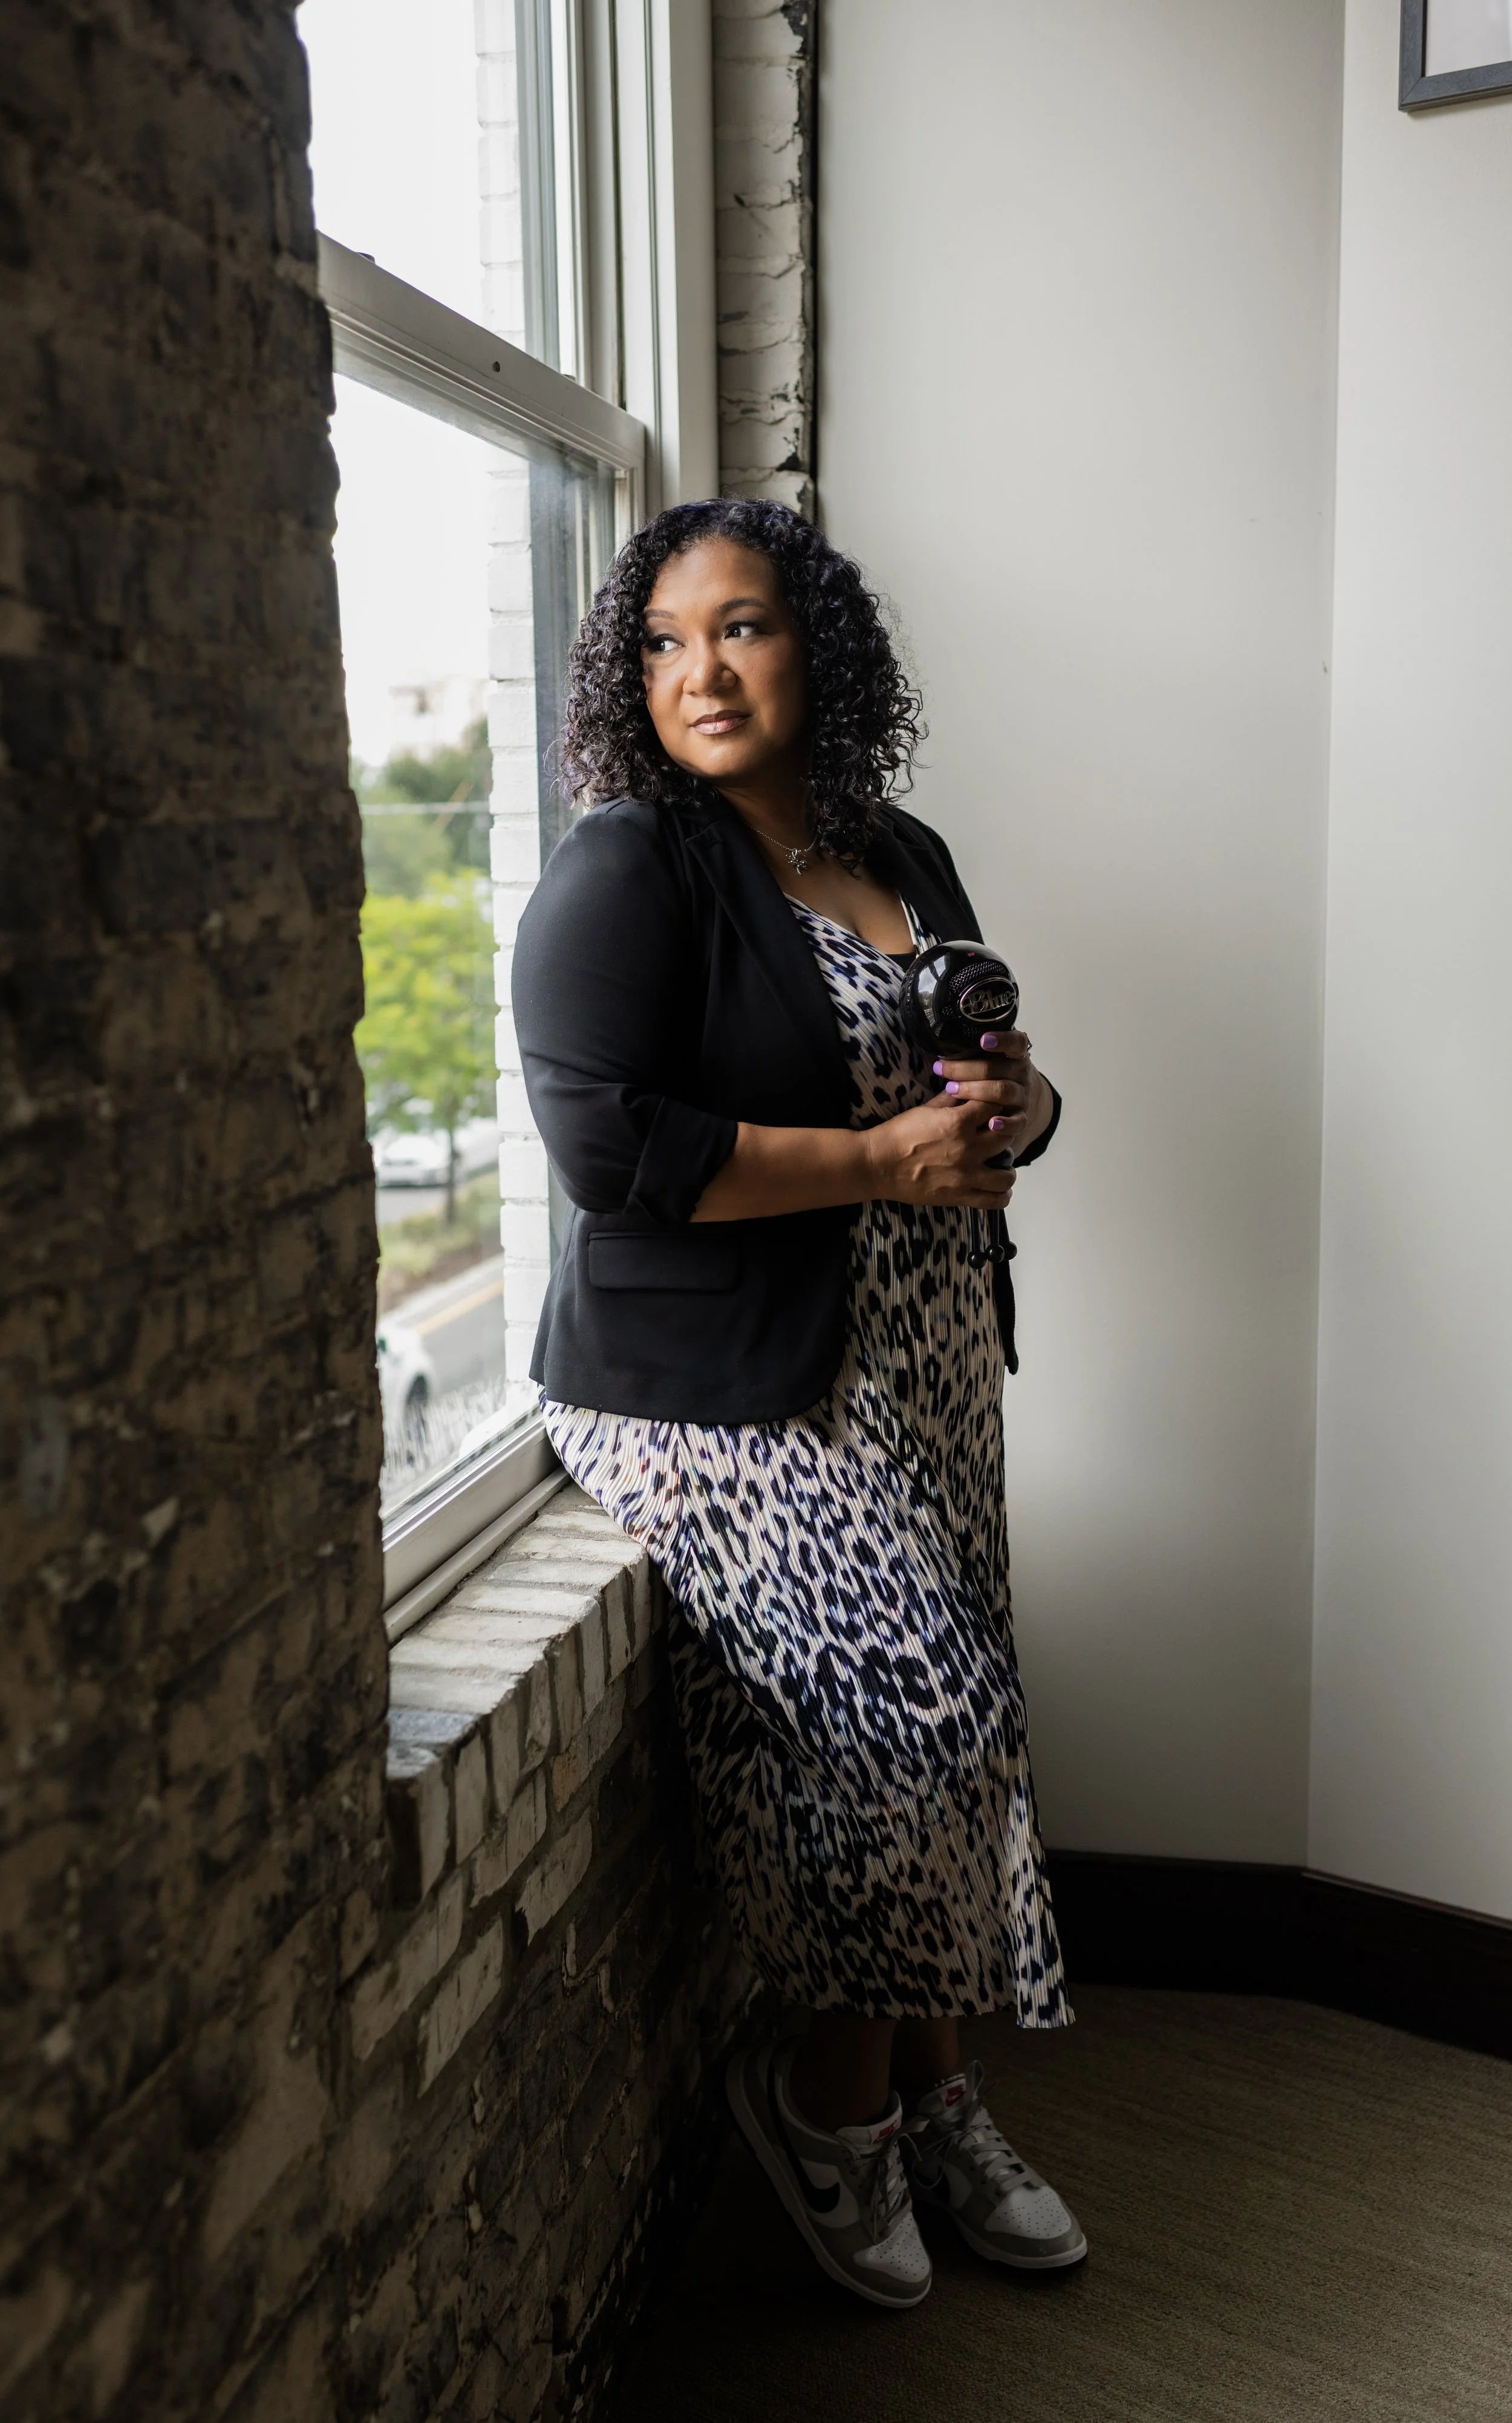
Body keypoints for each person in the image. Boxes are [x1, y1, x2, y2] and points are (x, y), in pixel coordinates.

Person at [512, 497, 1083, 2310]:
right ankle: (828, 2103)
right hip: (713, 1394)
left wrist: (1019, 1110)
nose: (703, 672)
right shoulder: (629, 866)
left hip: (921, 1355)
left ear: (815, 646)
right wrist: (878, 1162)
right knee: (929, 1724)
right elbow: (609, 1150)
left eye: (742, 627)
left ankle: (934, 2093)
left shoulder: (898, 845)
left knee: (969, 1722)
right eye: (664, 642)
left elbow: (971, 1075)